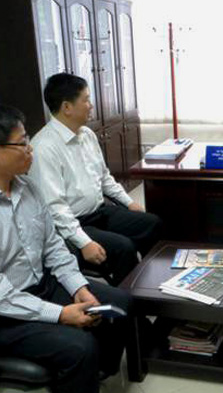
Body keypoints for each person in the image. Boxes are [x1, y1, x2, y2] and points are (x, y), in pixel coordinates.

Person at [0, 105, 132, 393]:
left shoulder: (26, 187)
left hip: (37, 286)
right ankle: (81, 377)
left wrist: (78, 287)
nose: (31, 148)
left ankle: (90, 377)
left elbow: (53, 246)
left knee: (118, 304)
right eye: (23, 142)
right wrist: (61, 314)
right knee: (79, 347)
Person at [29, 73, 162, 286]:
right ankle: (130, 300)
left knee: (151, 224)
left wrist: (129, 202)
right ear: (67, 107)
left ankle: (152, 285)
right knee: (123, 248)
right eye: (86, 100)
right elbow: (55, 208)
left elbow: (104, 178)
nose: (91, 106)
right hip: (71, 225)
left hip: (99, 212)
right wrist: (83, 242)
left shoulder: (87, 135)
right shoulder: (44, 148)